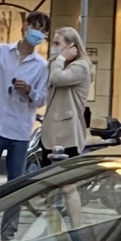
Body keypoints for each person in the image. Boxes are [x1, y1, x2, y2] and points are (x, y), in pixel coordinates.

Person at [0, 11, 49, 192]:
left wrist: (29, 90)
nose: (38, 33)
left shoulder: (41, 65)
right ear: (25, 26)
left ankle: (10, 222)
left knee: (15, 186)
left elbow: (41, 99)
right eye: (35, 27)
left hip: (19, 129)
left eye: (43, 31)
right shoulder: (0, 52)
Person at [40, 26, 92, 157]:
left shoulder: (80, 66)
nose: (54, 47)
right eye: (52, 43)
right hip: (51, 136)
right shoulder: (56, 64)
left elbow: (57, 78)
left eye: (57, 43)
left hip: (67, 137)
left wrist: (60, 58)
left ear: (71, 46)